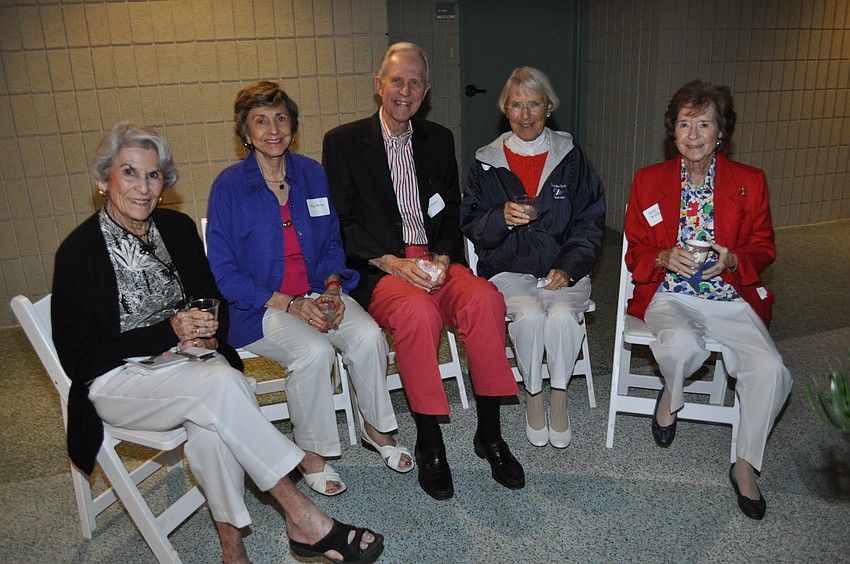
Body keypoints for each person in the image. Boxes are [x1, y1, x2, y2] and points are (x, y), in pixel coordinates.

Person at [51, 121, 384, 562]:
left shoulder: (176, 228)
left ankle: (233, 549)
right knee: (226, 387)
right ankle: (301, 514)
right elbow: (79, 359)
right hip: (118, 381)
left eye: (153, 175)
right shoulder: (78, 253)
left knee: (212, 425)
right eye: (129, 172)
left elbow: (215, 301)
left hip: (187, 368)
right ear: (102, 179)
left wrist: (207, 331)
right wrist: (168, 331)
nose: (143, 187)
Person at [322, 42, 524, 500]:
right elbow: (341, 223)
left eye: (415, 82)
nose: (405, 90)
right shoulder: (344, 142)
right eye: (396, 80)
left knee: (486, 300)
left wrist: (444, 258)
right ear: (379, 85)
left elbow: (451, 210)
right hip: (383, 269)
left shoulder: (439, 139)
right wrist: (392, 262)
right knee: (417, 315)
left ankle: (489, 435)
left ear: (426, 90)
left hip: (435, 262)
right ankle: (430, 442)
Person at [206, 81, 412, 497]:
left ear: (293, 126)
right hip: (260, 306)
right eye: (260, 121)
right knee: (314, 352)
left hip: (321, 292)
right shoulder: (228, 187)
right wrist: (290, 304)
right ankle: (312, 455)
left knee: (370, 336)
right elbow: (224, 273)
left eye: (281, 118)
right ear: (245, 133)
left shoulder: (312, 174)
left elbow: (334, 242)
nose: (273, 129)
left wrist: (334, 289)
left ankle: (375, 428)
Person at [624, 80, 792, 520]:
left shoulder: (749, 182)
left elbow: (765, 245)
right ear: (672, 131)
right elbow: (635, 247)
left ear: (721, 132)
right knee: (681, 346)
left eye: (704, 124)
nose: (693, 134)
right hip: (671, 293)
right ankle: (670, 398)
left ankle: (744, 464)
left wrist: (736, 258)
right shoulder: (649, 180)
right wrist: (661, 255)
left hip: (730, 296)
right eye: (684, 124)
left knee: (771, 370)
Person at [460, 67, 605, 449]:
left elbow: (590, 221)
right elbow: (472, 223)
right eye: (517, 105)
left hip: (563, 267)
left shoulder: (572, 158)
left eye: (534, 104)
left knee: (559, 316)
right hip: (508, 267)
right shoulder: (486, 162)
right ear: (505, 109)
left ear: (549, 107)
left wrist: (569, 267)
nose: (525, 115)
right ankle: (534, 396)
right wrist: (499, 218)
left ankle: (559, 396)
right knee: (529, 315)